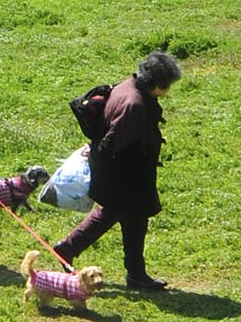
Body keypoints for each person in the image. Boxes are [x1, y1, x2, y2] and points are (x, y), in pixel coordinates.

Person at [52, 51, 180, 291]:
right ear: (159, 84)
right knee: (133, 220)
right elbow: (115, 140)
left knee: (113, 214)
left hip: (120, 172)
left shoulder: (127, 86)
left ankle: (68, 248)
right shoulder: (135, 105)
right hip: (126, 175)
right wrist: (96, 152)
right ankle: (135, 275)